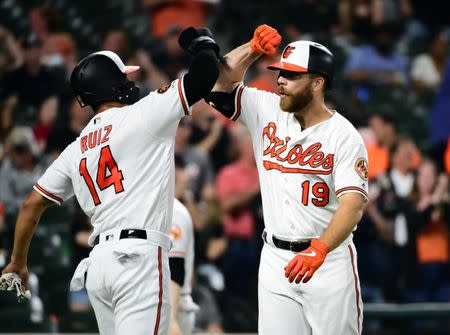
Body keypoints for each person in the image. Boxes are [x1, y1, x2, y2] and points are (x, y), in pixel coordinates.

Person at [0, 26, 221, 335]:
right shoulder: (144, 114)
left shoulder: (75, 148)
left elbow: (30, 206)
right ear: (113, 83)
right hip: (139, 259)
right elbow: (205, 73)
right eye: (123, 76)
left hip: (99, 266)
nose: (129, 81)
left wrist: (18, 261)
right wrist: (201, 41)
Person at [201, 24, 368, 334]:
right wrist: (251, 49)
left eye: (291, 75)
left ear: (317, 83)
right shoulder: (266, 109)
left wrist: (319, 249)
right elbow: (215, 85)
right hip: (276, 259)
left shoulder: (344, 136)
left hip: (328, 261)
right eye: (280, 72)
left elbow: (353, 206)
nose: (280, 80)